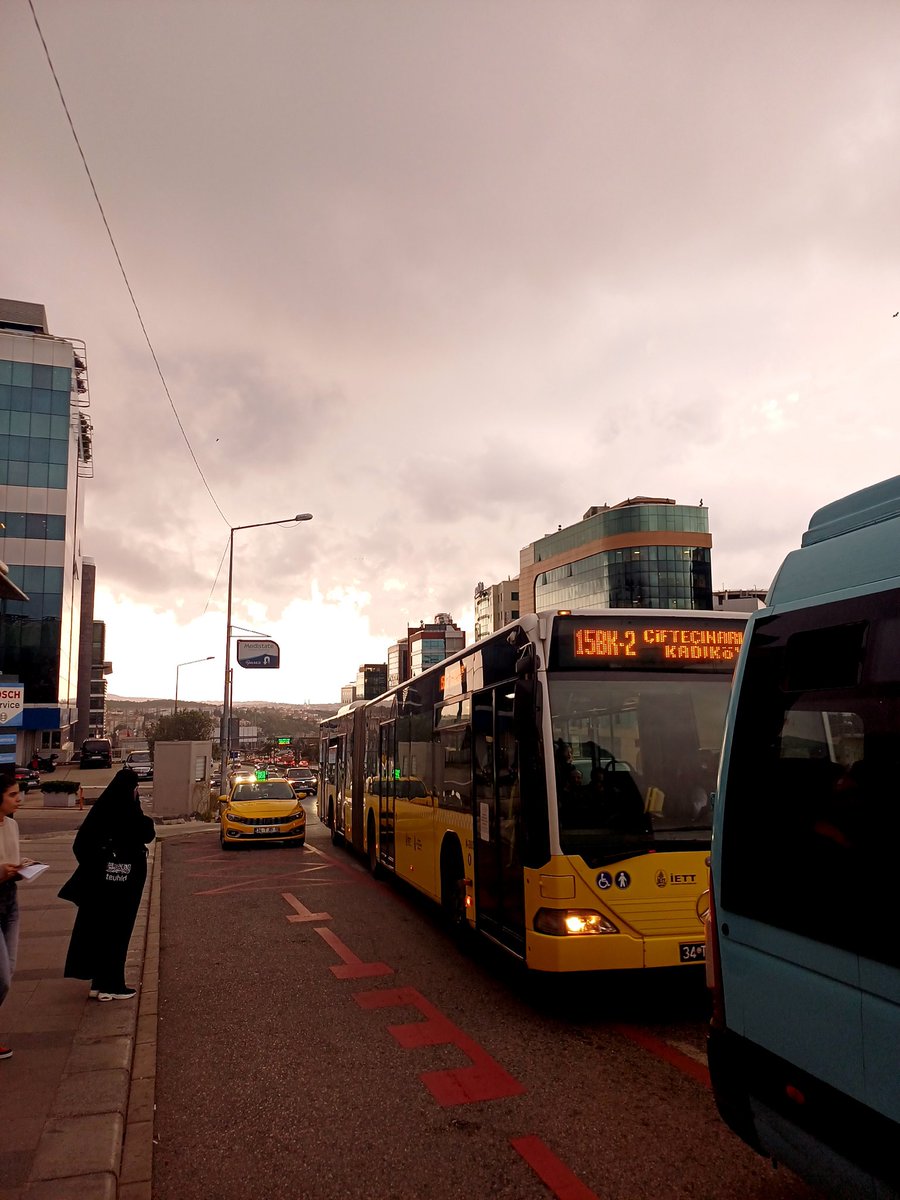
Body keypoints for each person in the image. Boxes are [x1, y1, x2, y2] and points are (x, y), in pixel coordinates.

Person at [62, 768, 155, 1001]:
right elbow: (147, 832)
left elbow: (80, 845)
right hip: (125, 886)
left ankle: (99, 981)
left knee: (101, 930)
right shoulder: (130, 813)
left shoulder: (102, 810)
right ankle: (112, 985)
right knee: (119, 932)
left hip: (102, 886)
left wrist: (99, 868)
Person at [0, 770, 23, 1059]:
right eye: (12, 795)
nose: (19, 799)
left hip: (10, 904)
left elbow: (11, 860)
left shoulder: (12, 826)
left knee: (9, 971)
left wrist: (21, 868)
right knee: (2, 978)